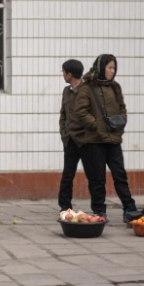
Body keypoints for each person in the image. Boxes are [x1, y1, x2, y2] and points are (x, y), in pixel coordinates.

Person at [76, 54, 137, 218]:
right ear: (100, 67)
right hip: (94, 141)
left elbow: (122, 108)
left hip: (114, 139)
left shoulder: (115, 87)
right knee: (97, 179)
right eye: (109, 67)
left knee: (120, 175)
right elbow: (81, 111)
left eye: (114, 68)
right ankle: (99, 210)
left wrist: (121, 122)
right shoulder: (86, 87)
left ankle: (129, 208)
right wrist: (95, 125)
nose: (112, 71)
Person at [58, 59, 86, 212]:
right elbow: (63, 115)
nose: (62, 75)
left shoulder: (87, 90)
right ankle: (64, 206)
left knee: (94, 175)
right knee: (67, 175)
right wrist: (64, 133)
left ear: (69, 74)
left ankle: (99, 208)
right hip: (70, 140)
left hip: (86, 140)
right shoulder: (66, 91)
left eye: (63, 72)